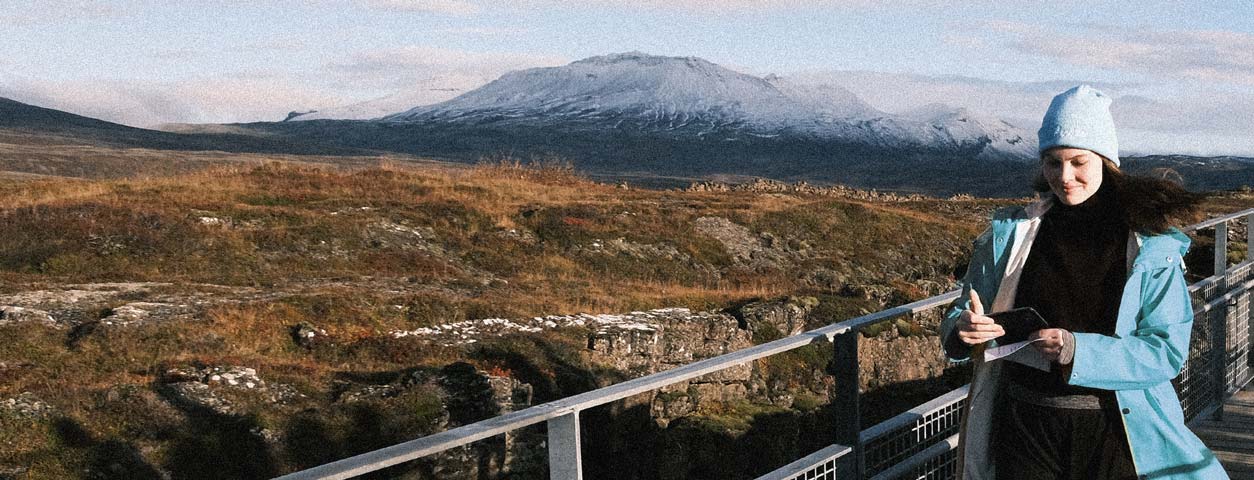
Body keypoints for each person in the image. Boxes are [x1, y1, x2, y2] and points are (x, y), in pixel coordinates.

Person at [939, 85, 1230, 480]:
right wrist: (962, 330)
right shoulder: (1013, 234)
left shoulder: (1148, 246)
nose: (1064, 176)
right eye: (1053, 162)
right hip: (1024, 428)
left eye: (1078, 161)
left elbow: (1165, 351)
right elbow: (961, 312)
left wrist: (1078, 350)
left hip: (1113, 430)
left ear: (1106, 161)